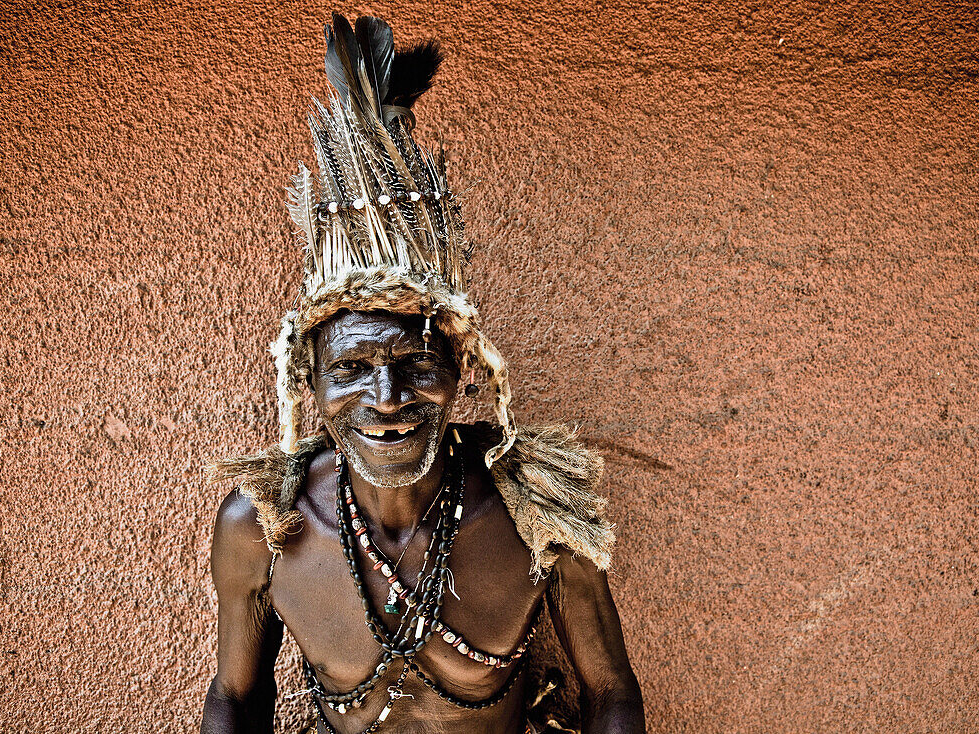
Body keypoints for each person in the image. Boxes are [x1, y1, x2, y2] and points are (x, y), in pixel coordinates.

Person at [200, 14, 645, 733]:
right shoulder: (262, 528)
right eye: (349, 369)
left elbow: (614, 693)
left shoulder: (536, 515)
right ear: (306, 384)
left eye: (417, 365)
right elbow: (234, 699)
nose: (387, 400)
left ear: (463, 370)